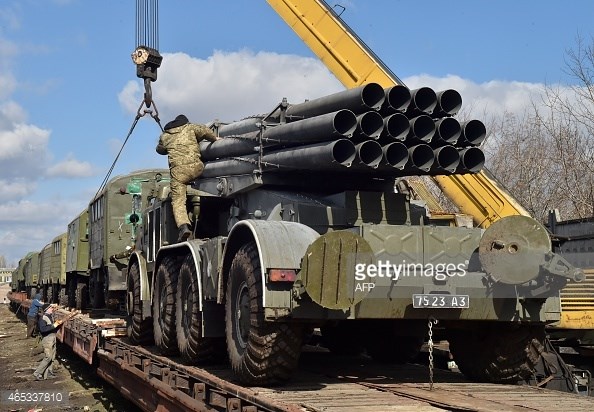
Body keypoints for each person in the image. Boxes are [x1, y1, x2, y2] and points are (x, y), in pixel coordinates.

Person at [156, 114, 220, 242]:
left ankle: (184, 227)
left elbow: (160, 150)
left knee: (178, 201)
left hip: (179, 173)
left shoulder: (166, 135)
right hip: (197, 168)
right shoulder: (191, 127)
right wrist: (215, 139)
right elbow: (206, 130)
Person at [33, 304, 62, 380]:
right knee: (48, 357)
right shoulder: (43, 318)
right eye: (51, 308)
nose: (52, 309)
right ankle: (37, 373)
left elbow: (52, 327)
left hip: (52, 338)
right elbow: (43, 329)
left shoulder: (50, 316)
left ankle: (48, 373)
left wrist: (58, 325)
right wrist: (54, 326)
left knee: (52, 357)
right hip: (47, 339)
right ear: (46, 309)